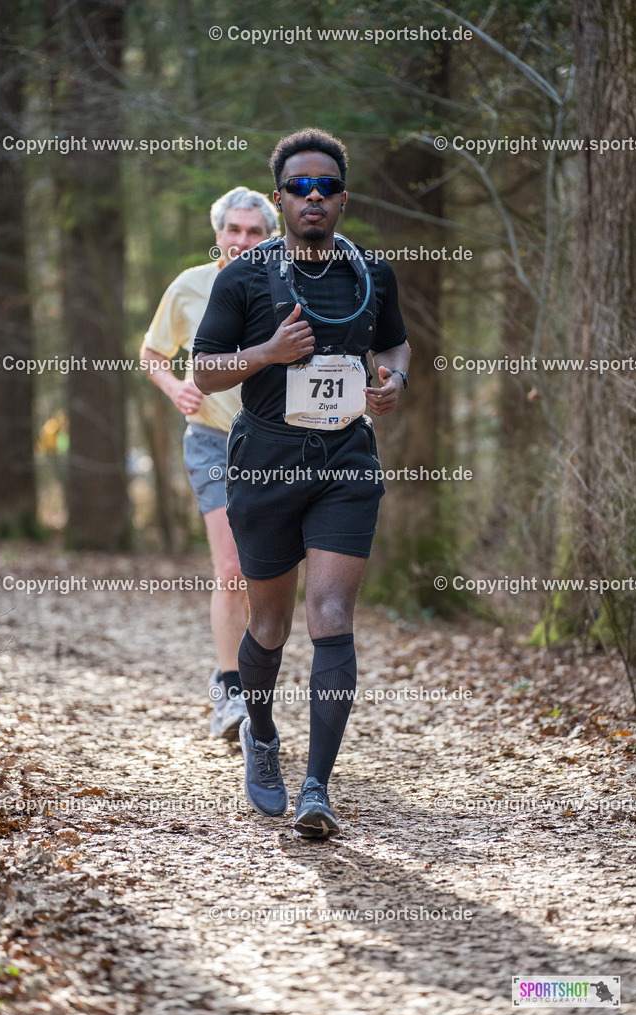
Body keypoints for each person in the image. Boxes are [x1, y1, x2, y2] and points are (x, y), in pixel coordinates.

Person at [193, 128, 410, 838]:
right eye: (298, 187)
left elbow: (396, 341)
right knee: (270, 625)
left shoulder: (371, 273)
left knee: (331, 619)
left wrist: (392, 378)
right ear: (280, 197)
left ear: (342, 197)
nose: (312, 197)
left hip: (345, 462)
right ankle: (260, 733)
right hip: (265, 464)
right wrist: (266, 352)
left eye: (324, 186)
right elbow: (203, 370)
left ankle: (316, 788)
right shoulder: (244, 275)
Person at [140, 187, 279, 739]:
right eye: (234, 231)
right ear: (218, 234)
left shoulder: (286, 283)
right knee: (231, 568)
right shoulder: (189, 286)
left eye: (254, 232)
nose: (243, 241)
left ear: (268, 236)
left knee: (268, 575)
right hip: (212, 440)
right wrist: (175, 387)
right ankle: (230, 692)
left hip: (273, 444)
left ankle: (258, 686)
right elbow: (153, 354)